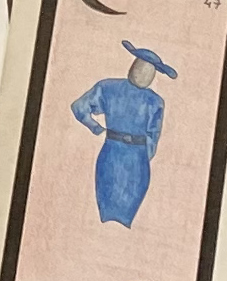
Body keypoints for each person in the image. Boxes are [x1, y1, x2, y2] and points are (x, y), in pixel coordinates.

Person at [70, 41, 177, 227]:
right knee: (107, 209)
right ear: (133, 66)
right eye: (141, 67)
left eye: (150, 71)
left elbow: (154, 136)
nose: (144, 74)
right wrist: (94, 127)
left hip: (134, 161)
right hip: (116, 156)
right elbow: (79, 107)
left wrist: (143, 158)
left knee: (126, 215)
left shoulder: (154, 101)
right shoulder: (108, 88)